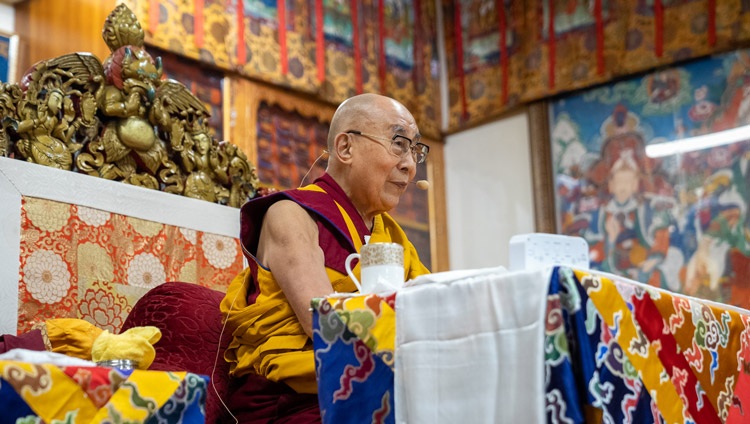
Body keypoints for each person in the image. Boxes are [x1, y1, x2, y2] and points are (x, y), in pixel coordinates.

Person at [220, 93, 431, 422]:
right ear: (346, 148)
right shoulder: (290, 214)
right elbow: (325, 324)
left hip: (381, 389)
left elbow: (428, 311)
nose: (410, 164)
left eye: (415, 149)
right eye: (399, 143)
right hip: (298, 402)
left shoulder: (392, 237)